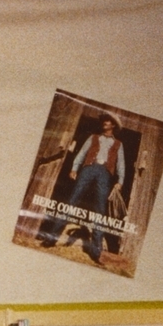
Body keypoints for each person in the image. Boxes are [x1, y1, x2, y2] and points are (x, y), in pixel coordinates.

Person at [40, 112, 125, 263]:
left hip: (104, 174)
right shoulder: (93, 137)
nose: (105, 122)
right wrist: (74, 168)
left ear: (113, 125)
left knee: (100, 210)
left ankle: (96, 252)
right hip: (88, 169)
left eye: (109, 121)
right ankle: (51, 238)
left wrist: (120, 181)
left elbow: (121, 164)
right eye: (104, 120)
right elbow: (81, 153)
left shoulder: (118, 144)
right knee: (71, 202)